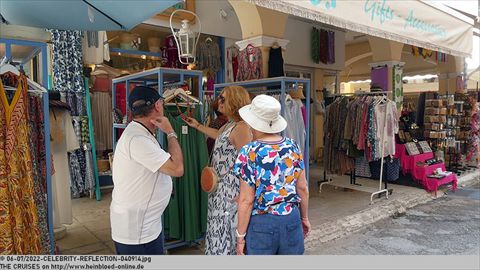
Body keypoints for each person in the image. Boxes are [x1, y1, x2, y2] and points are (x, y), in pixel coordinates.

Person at [232, 94, 311, 255]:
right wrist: (304, 218)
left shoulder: (249, 152)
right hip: (291, 218)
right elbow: (302, 187)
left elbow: (246, 200)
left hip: (262, 224)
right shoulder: (292, 146)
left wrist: (240, 237)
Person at [110, 86, 183, 255]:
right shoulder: (137, 139)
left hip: (145, 225)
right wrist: (171, 132)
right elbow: (177, 168)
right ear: (157, 106)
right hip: (137, 232)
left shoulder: (139, 133)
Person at [184, 86, 252, 255]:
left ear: (234, 102)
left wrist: (245, 194)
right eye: (220, 97)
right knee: (218, 231)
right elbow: (218, 135)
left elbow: (249, 164)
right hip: (220, 191)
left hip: (230, 191)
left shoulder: (242, 128)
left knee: (225, 234)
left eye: (223, 98)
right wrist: (198, 126)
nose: (218, 101)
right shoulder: (230, 124)